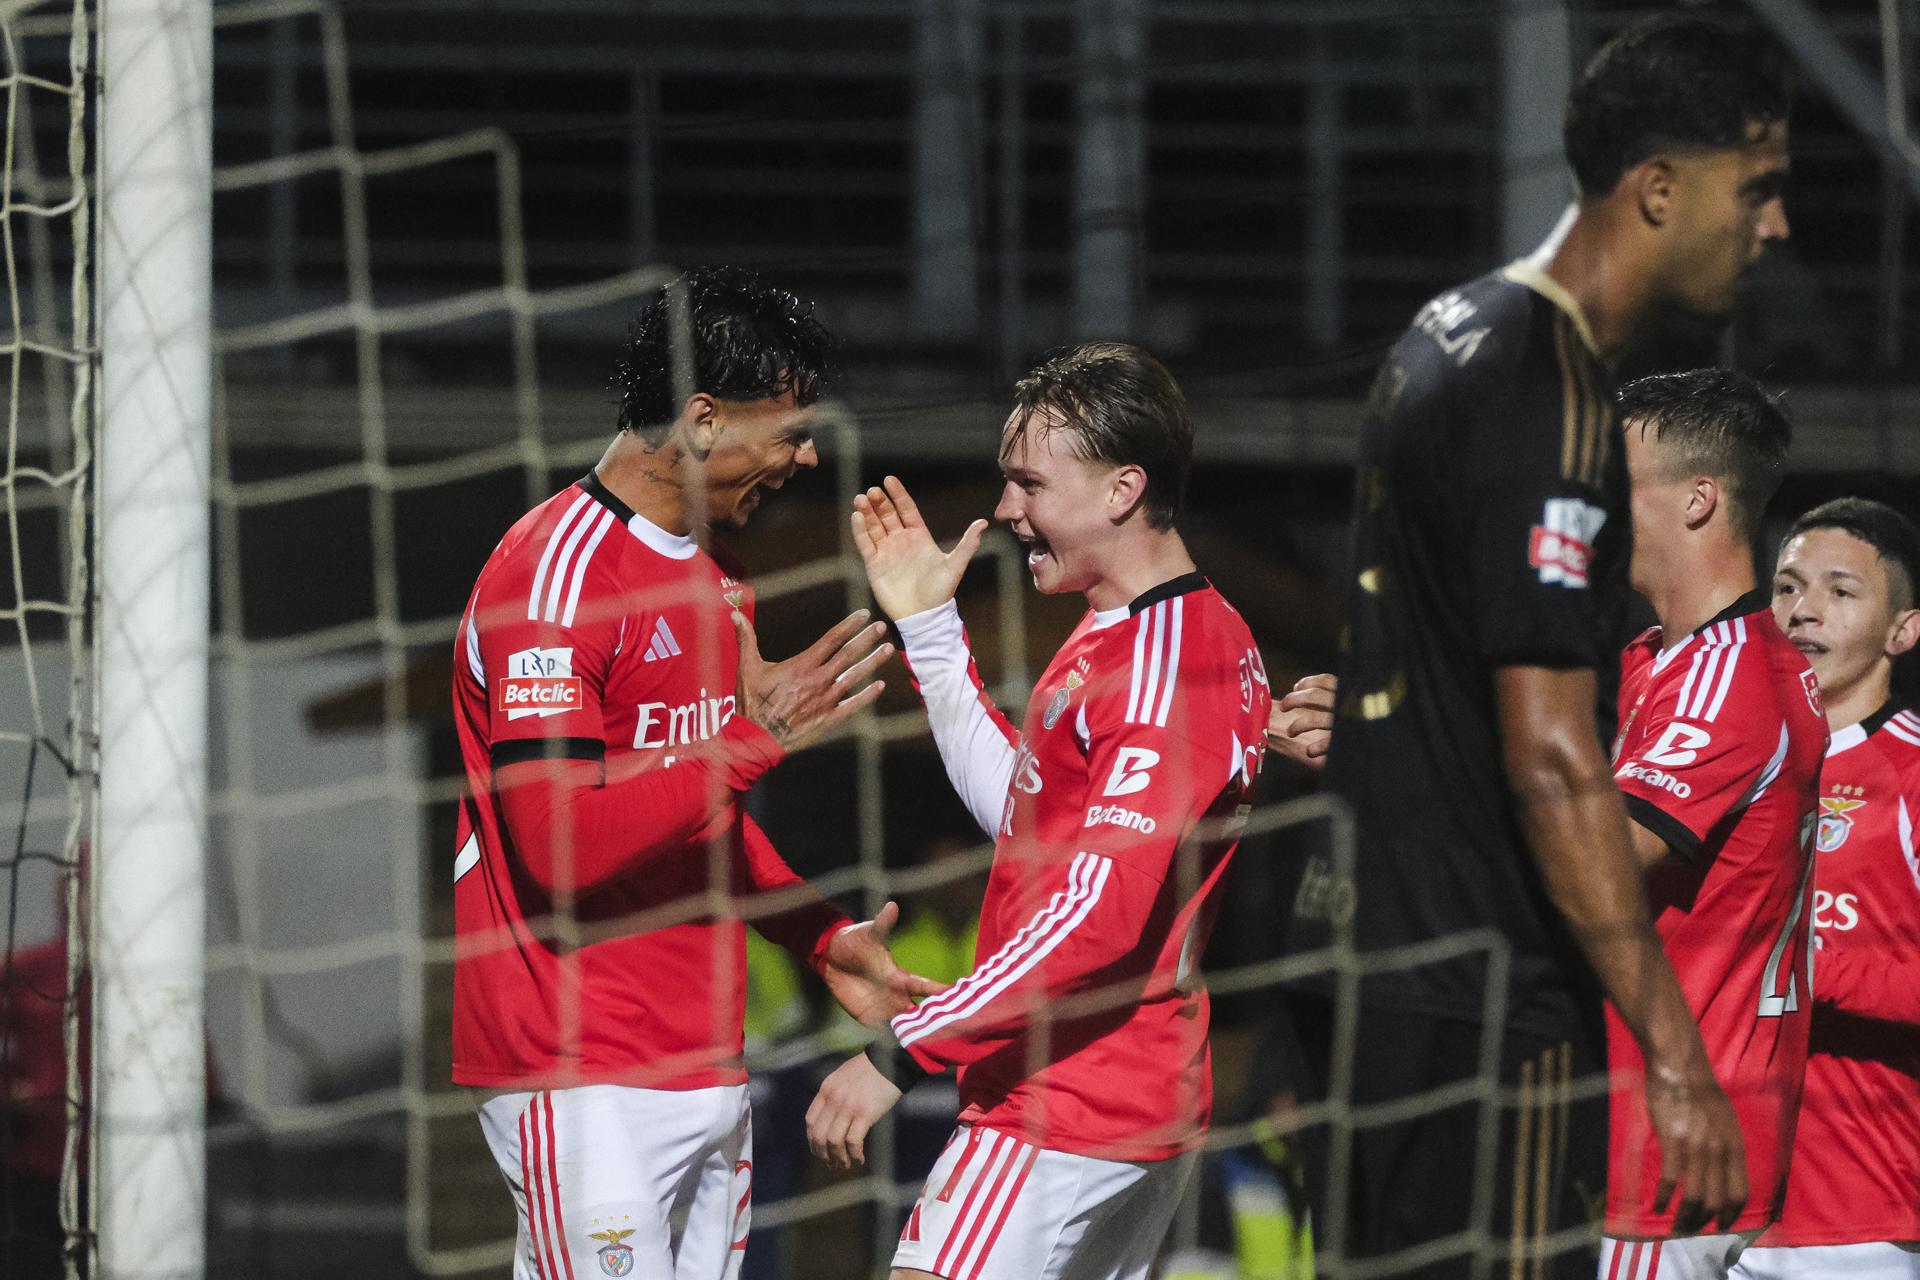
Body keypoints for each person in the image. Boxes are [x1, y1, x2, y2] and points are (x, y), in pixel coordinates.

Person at [1283, 14, 1794, 1275]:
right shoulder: (1553, 385)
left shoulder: (1446, 330)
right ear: (1662, 187)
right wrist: (1673, 1053)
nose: (1775, 227)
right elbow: (1554, 757)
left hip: (1370, 966)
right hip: (1484, 1002)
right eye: (1762, 186)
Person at [450, 266, 941, 1280]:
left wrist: (818, 937)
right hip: (577, 1070)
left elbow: (700, 820)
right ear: (706, 418)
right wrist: (756, 738)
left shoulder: (719, 581)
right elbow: (559, 847)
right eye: (792, 427)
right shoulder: (553, 578)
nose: (806, 455)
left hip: (707, 1063)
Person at [805, 343, 1272, 1280]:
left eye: (1028, 485)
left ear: (1121, 489)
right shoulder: (1124, 629)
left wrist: (910, 1049)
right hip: (1126, 1095)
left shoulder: (1167, 664)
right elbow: (1030, 821)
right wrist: (931, 632)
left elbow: (1098, 914)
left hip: (1064, 1096)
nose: (1005, 511)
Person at [1599, 370, 1822, 1278]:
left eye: (1614, 477)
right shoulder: (1671, 659)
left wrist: (1408, 768)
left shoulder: (1728, 676)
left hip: (1665, 1150)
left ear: (1698, 499)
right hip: (1679, 1129)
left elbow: (1605, 860)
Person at [1729, 499, 1920, 1280]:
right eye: (1786, 588)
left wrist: (1805, 965)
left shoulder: (1912, 777)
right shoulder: (1707, 761)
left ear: (1903, 631)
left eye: (1841, 592)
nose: (1803, 611)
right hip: (1684, 1208)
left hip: (1848, 1224)